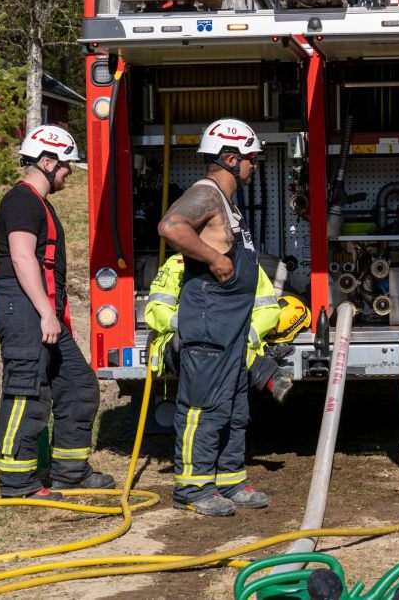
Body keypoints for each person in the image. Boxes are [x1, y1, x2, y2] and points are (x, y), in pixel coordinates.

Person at [0, 125, 114, 500]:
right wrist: (46, 312)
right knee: (26, 391)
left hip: (39, 308)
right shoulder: (22, 200)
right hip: (23, 305)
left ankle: (69, 472)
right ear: (46, 161)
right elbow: (22, 256)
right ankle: (18, 483)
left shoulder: (40, 203)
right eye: (65, 165)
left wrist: (53, 314)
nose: (69, 171)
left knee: (77, 384)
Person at [157, 117, 267, 517]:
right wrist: (214, 259)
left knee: (234, 406)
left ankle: (229, 480)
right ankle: (192, 488)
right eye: (251, 159)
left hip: (230, 326)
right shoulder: (205, 193)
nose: (254, 166)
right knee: (202, 406)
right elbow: (171, 226)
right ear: (231, 158)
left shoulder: (226, 201)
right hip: (209, 320)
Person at [144, 253, 298, 403]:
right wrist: (192, 326)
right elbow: (156, 309)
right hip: (183, 342)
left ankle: (266, 375)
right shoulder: (177, 264)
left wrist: (243, 337)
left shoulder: (247, 264)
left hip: (232, 342)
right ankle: (269, 375)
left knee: (223, 347)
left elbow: (267, 310)